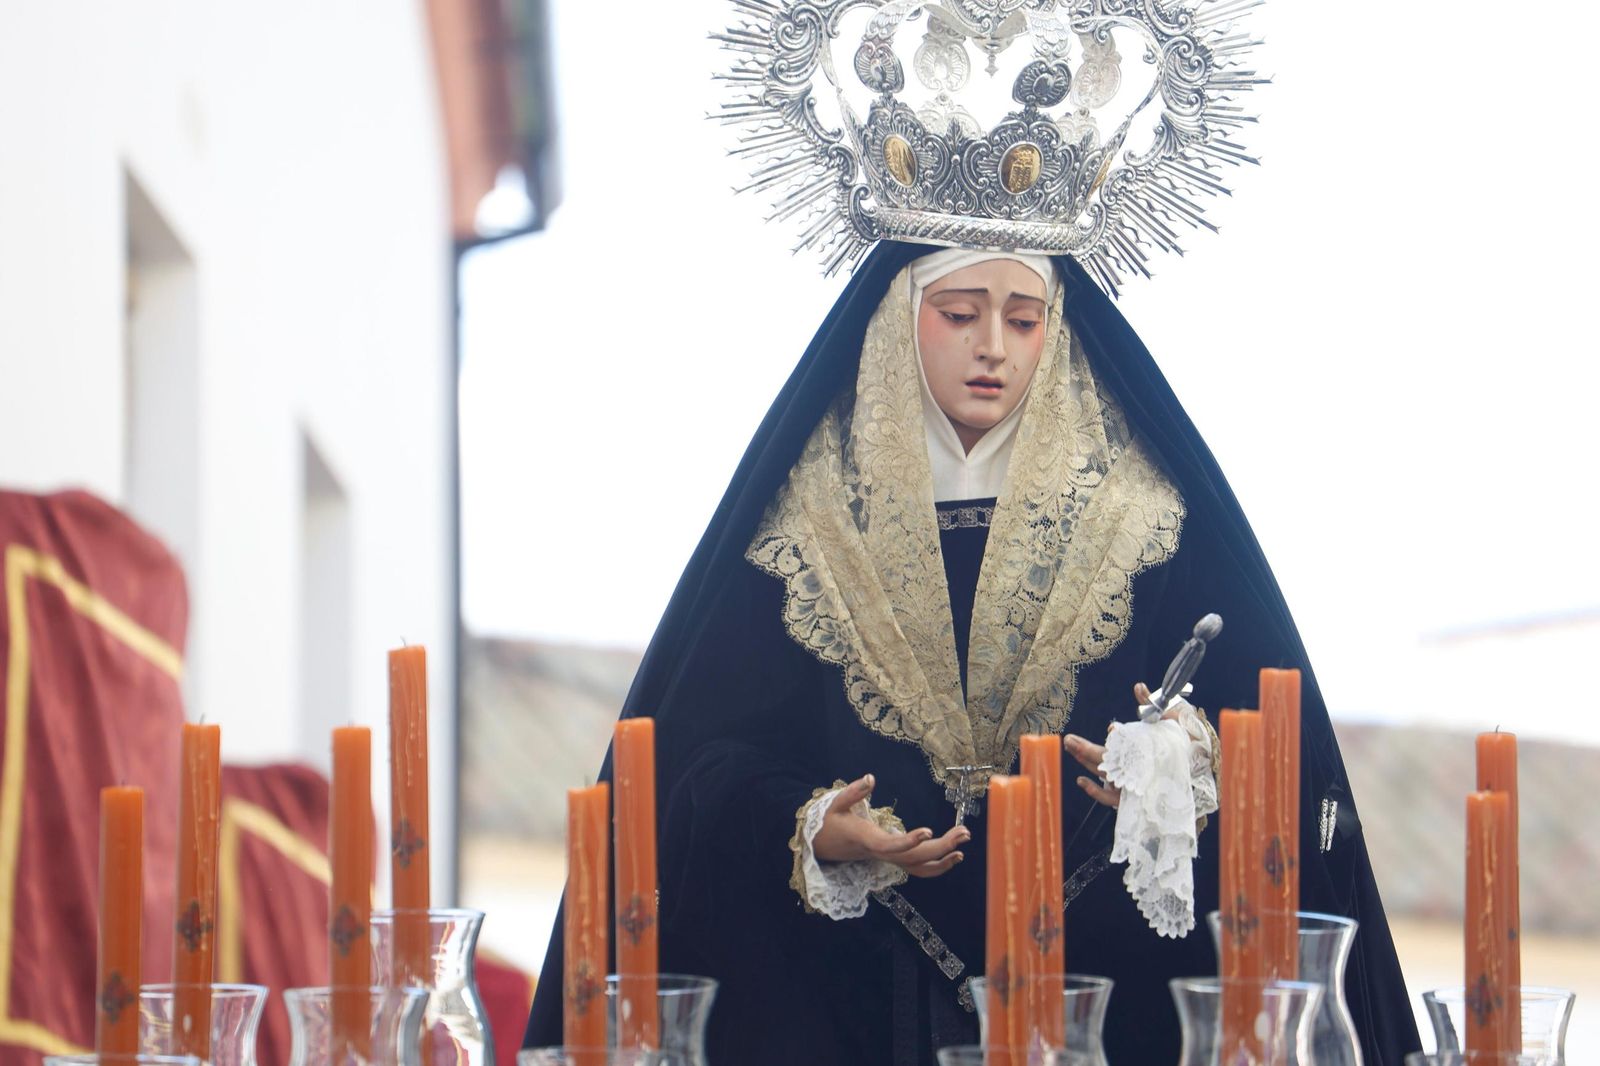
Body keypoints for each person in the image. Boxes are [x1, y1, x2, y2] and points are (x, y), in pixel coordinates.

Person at [522, 240, 1422, 1064]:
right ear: (896, 316)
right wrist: (812, 823)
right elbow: (696, 764)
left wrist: (1176, 765)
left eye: (1024, 319)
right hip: (845, 1003)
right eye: (959, 313)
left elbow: (1276, 751)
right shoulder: (807, 523)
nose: (994, 345)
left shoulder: (1145, 520)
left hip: (1097, 1006)